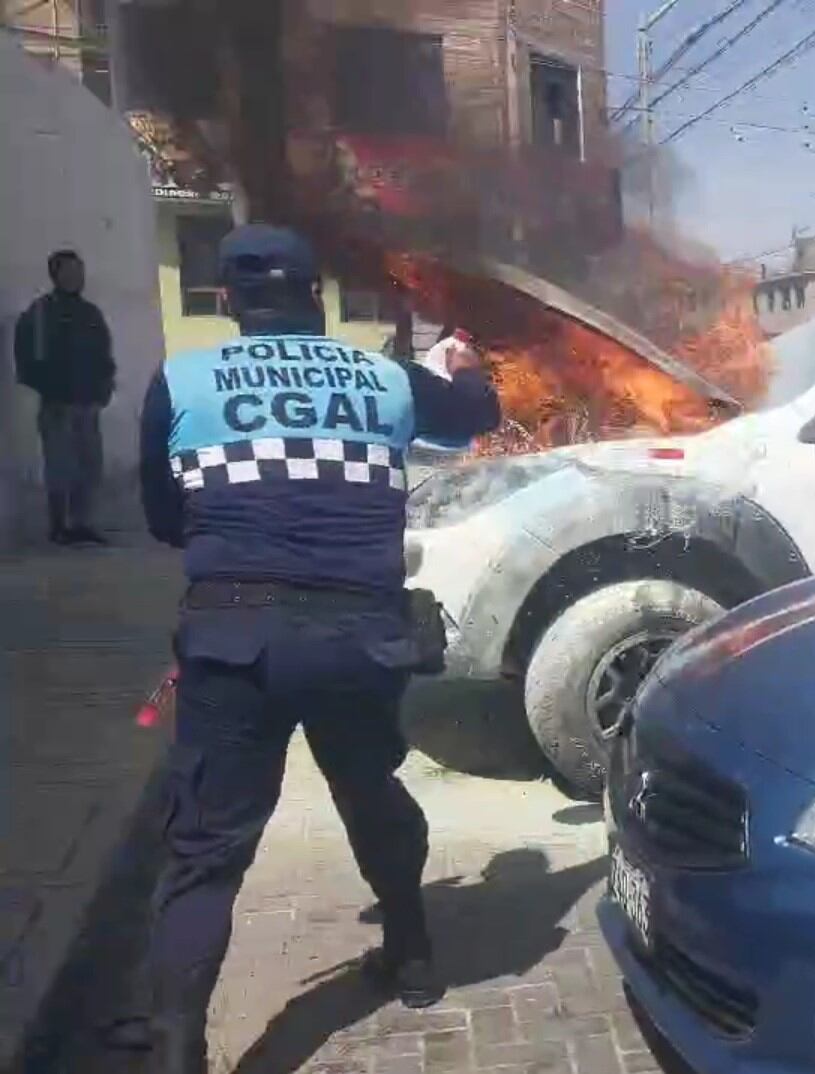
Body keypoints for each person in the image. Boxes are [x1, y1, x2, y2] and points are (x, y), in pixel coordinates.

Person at [137, 225, 500, 1074]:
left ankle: (175, 1048)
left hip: (235, 646)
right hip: (358, 642)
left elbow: (161, 519)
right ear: (314, 295)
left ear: (227, 301)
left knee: (206, 851)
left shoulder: (181, 378)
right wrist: (468, 360)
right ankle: (410, 953)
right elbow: (477, 417)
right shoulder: (388, 378)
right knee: (368, 789)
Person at [13, 249, 116, 544]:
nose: (76, 277)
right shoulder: (40, 313)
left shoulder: (90, 313)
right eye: (69, 271)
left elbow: (104, 353)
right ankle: (59, 526)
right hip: (57, 405)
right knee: (60, 467)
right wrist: (49, 390)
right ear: (55, 276)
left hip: (88, 404)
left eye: (79, 271)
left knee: (90, 465)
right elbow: (26, 359)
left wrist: (105, 387)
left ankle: (83, 523)